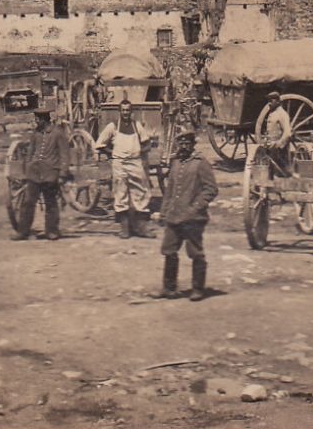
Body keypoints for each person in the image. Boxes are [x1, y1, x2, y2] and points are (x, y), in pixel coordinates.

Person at [158, 128, 219, 301]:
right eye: (181, 143)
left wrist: (196, 207)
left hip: (193, 218)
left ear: (193, 145)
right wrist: (163, 212)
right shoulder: (175, 162)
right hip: (174, 215)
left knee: (195, 253)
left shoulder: (201, 163)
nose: (184, 146)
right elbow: (169, 190)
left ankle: (198, 288)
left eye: (187, 143)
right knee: (169, 250)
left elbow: (211, 189)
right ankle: (169, 288)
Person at [94, 98, 157, 238]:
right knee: (120, 193)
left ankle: (142, 228)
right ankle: (125, 229)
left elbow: (147, 144)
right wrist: (112, 153)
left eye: (128, 110)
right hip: (120, 164)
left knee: (141, 192)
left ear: (131, 111)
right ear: (119, 111)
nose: (126, 113)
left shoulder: (137, 125)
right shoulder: (113, 126)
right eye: (123, 110)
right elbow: (100, 144)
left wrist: (141, 151)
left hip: (135, 162)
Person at [13, 107, 69, 241]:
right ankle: (23, 231)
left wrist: (62, 174)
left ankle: (51, 231)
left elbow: (65, 155)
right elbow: (30, 152)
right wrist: (27, 170)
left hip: (50, 174)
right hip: (34, 174)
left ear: (44, 119)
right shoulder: (35, 133)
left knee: (51, 203)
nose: (36, 121)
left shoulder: (58, 133)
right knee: (28, 202)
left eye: (37, 119)